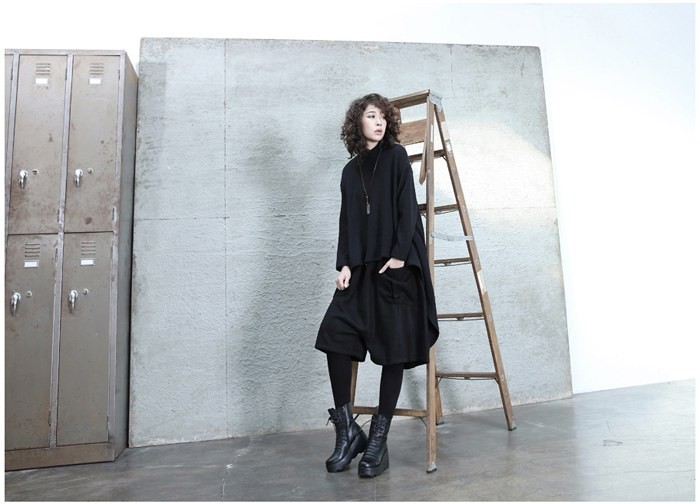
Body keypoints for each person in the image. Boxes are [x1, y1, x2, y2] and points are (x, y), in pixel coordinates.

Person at [315, 93, 439, 478]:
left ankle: (378, 442)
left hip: (394, 267)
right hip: (361, 269)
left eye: (384, 116)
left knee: (394, 349)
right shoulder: (349, 172)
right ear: (358, 122)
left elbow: (408, 208)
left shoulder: (397, 157)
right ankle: (348, 431)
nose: (380, 122)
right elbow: (347, 221)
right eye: (372, 116)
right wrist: (344, 264)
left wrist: (399, 255)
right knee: (335, 334)